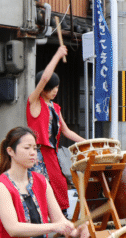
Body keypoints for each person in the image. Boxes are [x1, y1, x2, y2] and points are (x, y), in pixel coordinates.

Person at [27, 45, 84, 216]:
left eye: (57, 88)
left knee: (59, 183)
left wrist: (88, 143)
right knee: (40, 186)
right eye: (52, 88)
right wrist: (58, 54)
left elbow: (66, 132)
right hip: (36, 153)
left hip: (51, 153)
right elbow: (44, 77)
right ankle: (41, 221)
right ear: (42, 89)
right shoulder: (34, 103)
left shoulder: (55, 107)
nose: (55, 91)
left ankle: (62, 218)